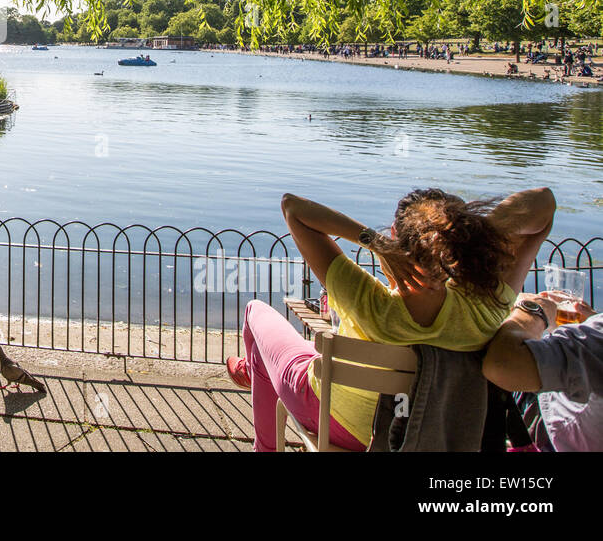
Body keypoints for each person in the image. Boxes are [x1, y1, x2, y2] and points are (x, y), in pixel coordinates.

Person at [230, 187, 554, 451]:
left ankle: (264, 442)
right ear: (462, 241)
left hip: (334, 421)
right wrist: (468, 237)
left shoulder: (372, 303)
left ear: (397, 235)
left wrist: (378, 244)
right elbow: (543, 202)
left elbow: (293, 207)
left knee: (256, 313)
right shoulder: (487, 303)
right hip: (417, 431)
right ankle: (256, 368)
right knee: (306, 351)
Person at [482, 290, 602, 451]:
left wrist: (532, 311)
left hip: (558, 433)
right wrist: (588, 326)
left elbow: (502, 365)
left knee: (487, 348)